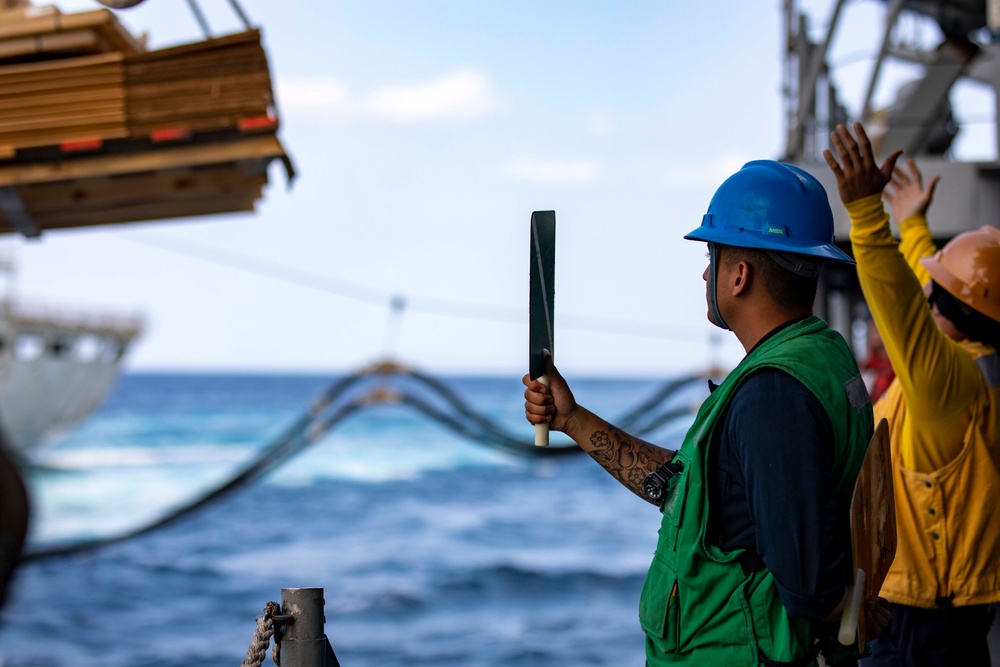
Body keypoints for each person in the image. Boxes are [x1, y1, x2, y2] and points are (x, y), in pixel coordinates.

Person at [523, 160, 889, 666]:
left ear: (739, 275)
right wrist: (572, 419)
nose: (704, 271)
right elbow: (686, 488)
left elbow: (809, 584)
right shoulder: (818, 355)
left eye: (712, 255)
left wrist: (848, 608)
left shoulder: (772, 397)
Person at [824, 122, 1000, 666]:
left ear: (949, 314)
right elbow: (941, 289)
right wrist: (914, 224)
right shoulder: (976, 363)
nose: (927, 298)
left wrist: (866, 216)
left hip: (922, 624)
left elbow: (903, 306)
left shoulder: (944, 381)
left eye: (936, 296)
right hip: (950, 612)